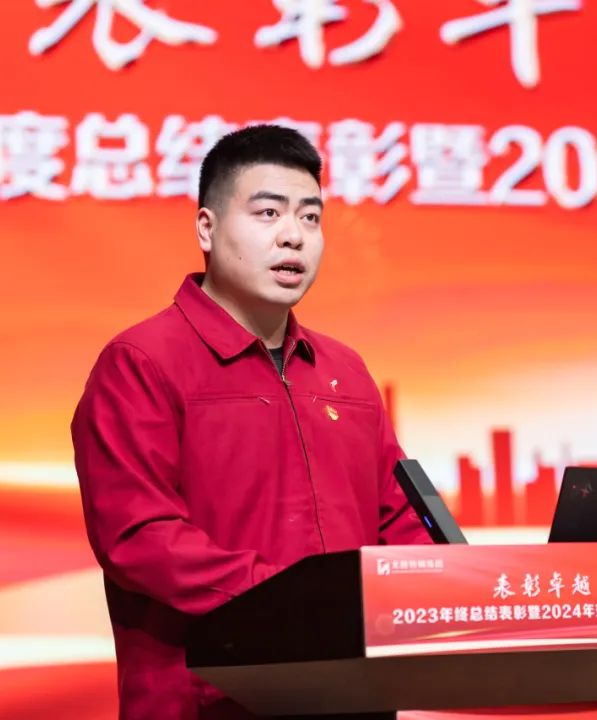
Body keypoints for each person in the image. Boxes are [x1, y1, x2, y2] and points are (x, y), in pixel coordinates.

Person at [71, 125, 432, 719]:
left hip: (355, 694)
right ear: (206, 229)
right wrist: (298, 601)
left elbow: (401, 520)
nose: (293, 235)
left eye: (310, 217)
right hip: (210, 700)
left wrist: (445, 588)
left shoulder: (344, 370)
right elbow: (139, 537)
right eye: (268, 212)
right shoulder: (142, 362)